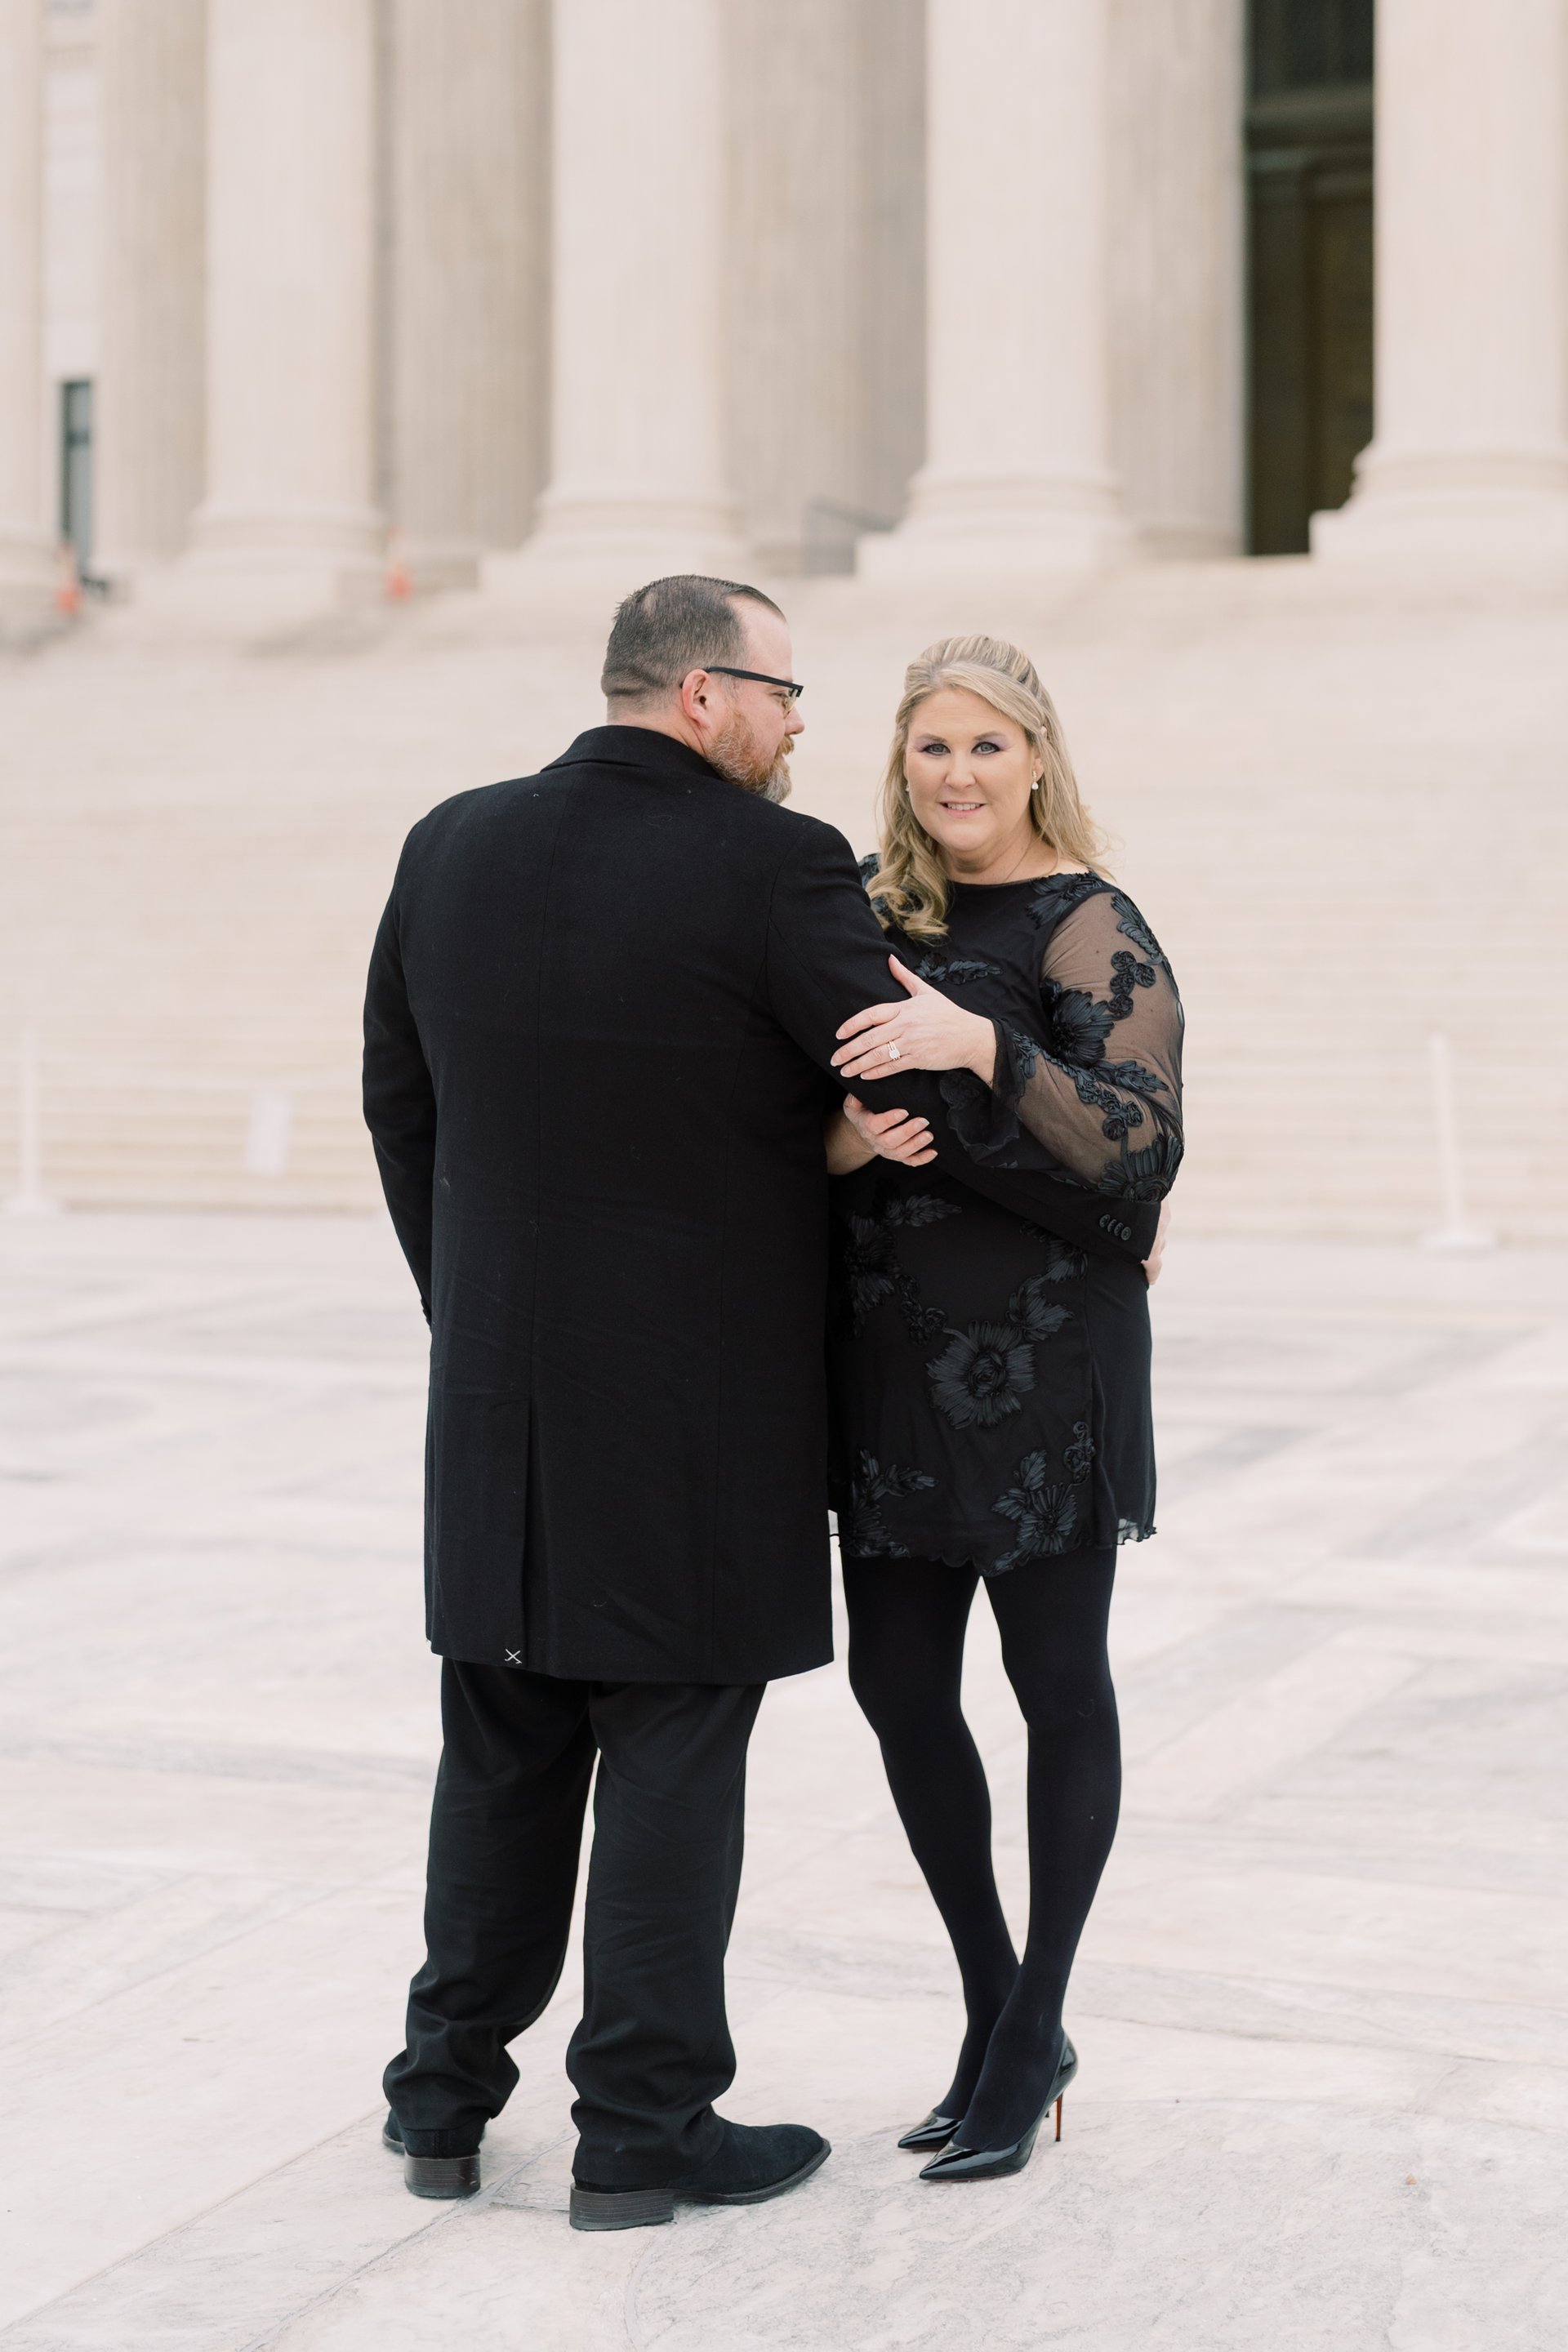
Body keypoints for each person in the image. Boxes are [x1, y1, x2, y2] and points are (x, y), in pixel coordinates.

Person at [361, 578, 1158, 2233]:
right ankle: (641, 2132)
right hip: (695, 1401)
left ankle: (441, 2100)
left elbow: (399, 1100)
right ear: (707, 696)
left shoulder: (448, 841)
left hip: (499, 1395)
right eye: (787, 695)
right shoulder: (778, 864)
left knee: (500, 1736)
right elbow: (883, 1077)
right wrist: (1058, 1185)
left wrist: (476, 1314)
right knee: (669, 1737)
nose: (800, 726)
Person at [822, 635, 1183, 2183]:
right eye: (932, 747)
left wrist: (980, 1043)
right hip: (889, 1355)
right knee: (897, 1687)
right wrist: (839, 1144)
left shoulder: (1089, 920)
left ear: (1036, 755)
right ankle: (992, 2001)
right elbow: (776, 1111)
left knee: (1055, 1682)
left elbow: (1138, 1145)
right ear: (899, 761)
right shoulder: (862, 909)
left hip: (1046, 1360)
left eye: (986, 745)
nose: (957, 773)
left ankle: (1036, 2027)